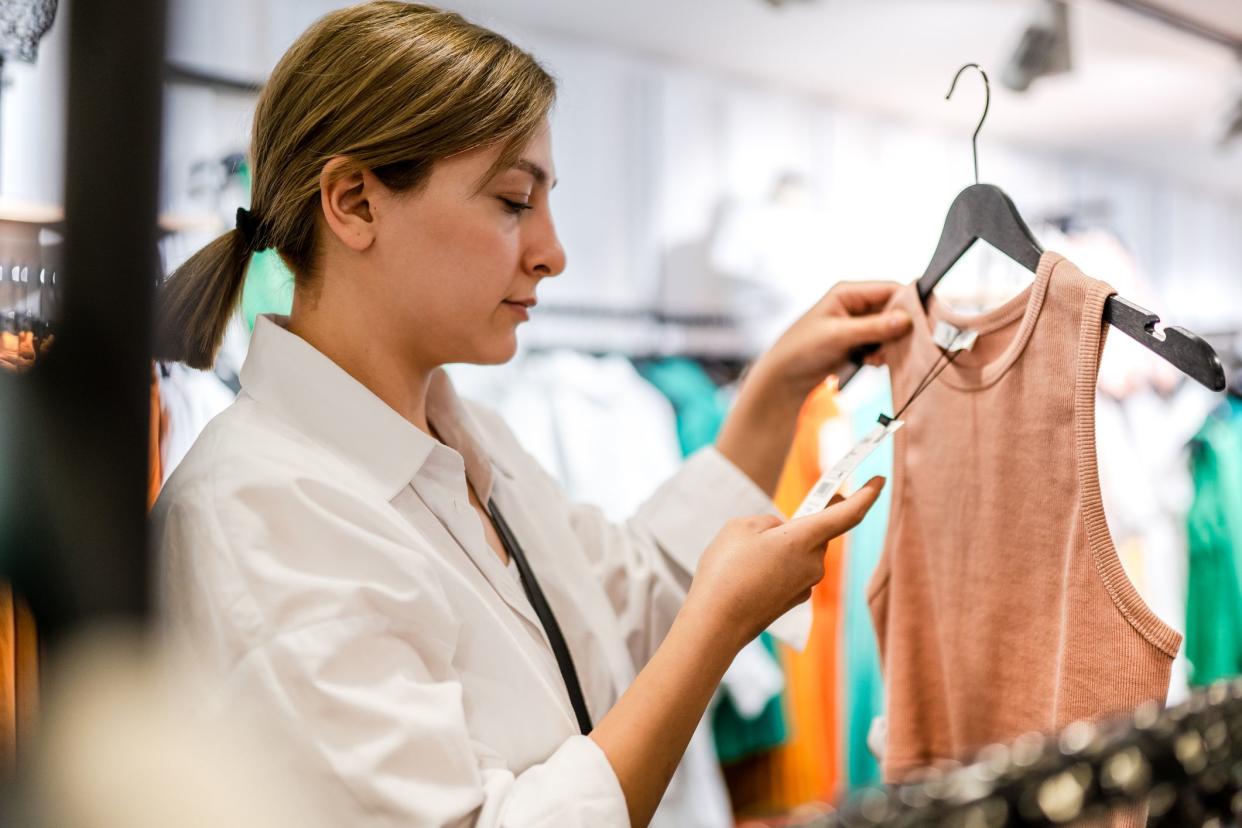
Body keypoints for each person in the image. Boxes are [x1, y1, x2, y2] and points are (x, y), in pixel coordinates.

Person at [151, 3, 912, 826]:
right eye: (515, 200)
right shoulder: (260, 515)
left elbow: (630, 595)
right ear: (355, 203)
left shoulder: (469, 442)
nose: (553, 251)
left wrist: (776, 388)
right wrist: (719, 628)